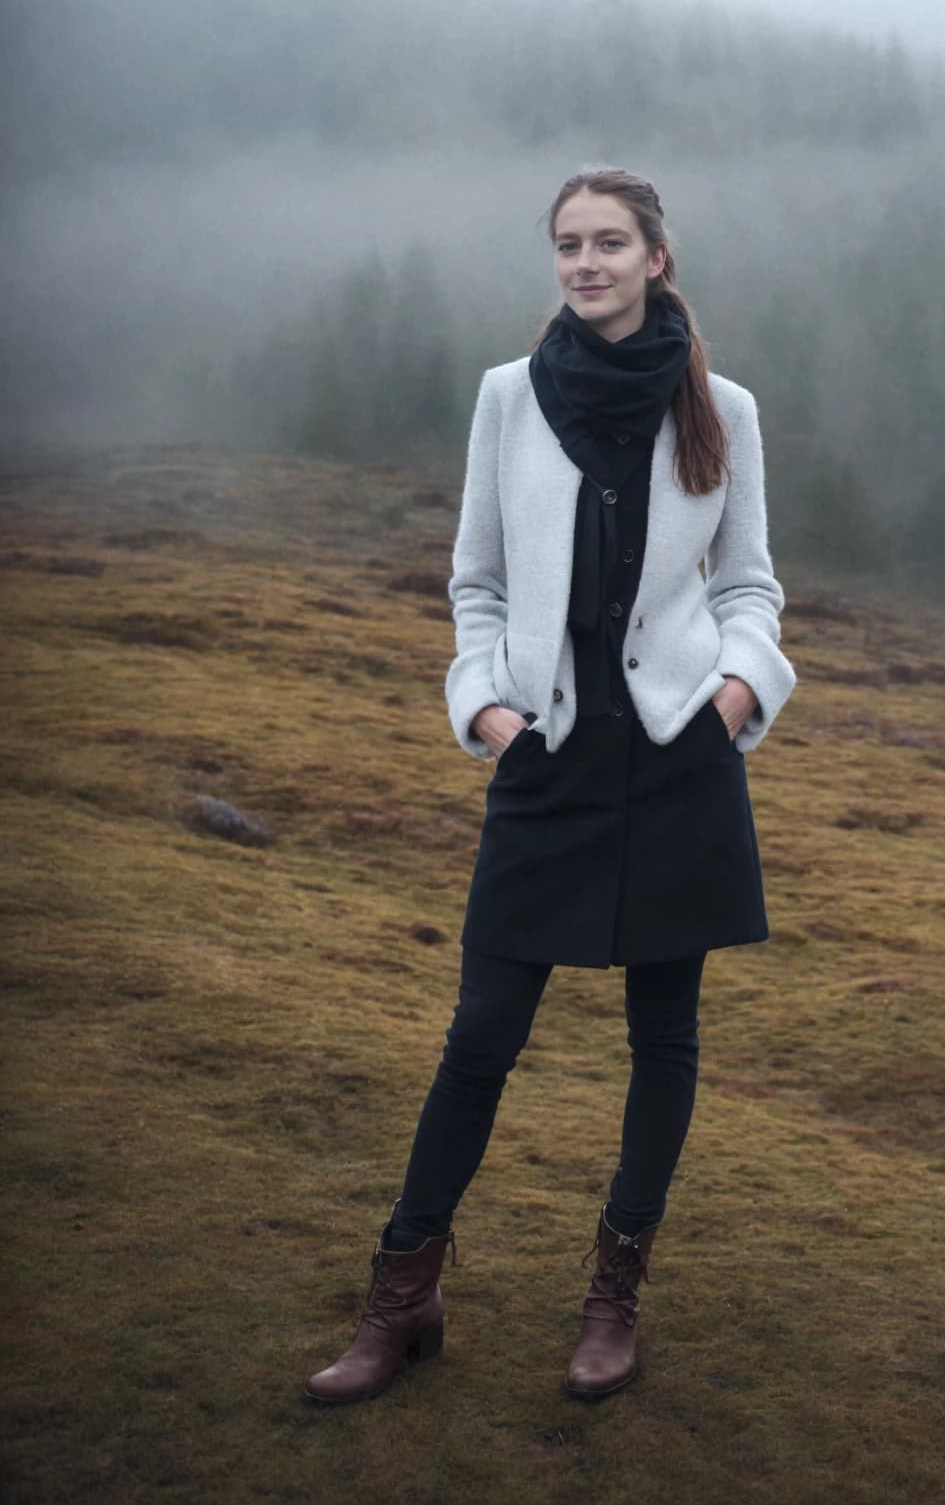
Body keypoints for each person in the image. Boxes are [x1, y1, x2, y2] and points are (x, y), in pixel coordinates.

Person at [303, 166, 796, 1407]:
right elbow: (475, 579)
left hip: (681, 761)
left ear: (656, 258)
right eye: (568, 245)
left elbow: (751, 588)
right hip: (549, 761)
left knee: (663, 1039)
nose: (586, 264)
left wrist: (737, 694)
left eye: (610, 243)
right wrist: (483, 706)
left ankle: (614, 1300)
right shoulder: (509, 400)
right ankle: (400, 1299)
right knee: (481, 1034)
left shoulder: (721, 409)